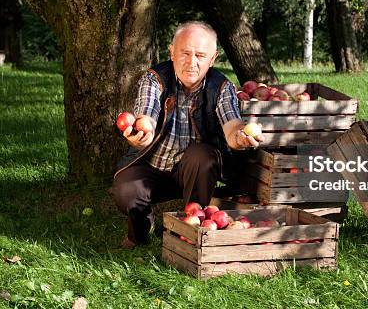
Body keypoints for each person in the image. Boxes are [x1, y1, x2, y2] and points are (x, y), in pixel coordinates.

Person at [110, 21, 264, 248]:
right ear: (172, 53)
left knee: (203, 155)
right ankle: (141, 227)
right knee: (125, 190)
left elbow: (232, 125)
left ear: (212, 59)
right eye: (185, 53)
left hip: (195, 173)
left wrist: (240, 137)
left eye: (201, 55)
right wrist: (144, 131)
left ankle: (191, 229)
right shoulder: (155, 79)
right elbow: (147, 113)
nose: (192, 63)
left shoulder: (221, 87)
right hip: (153, 167)